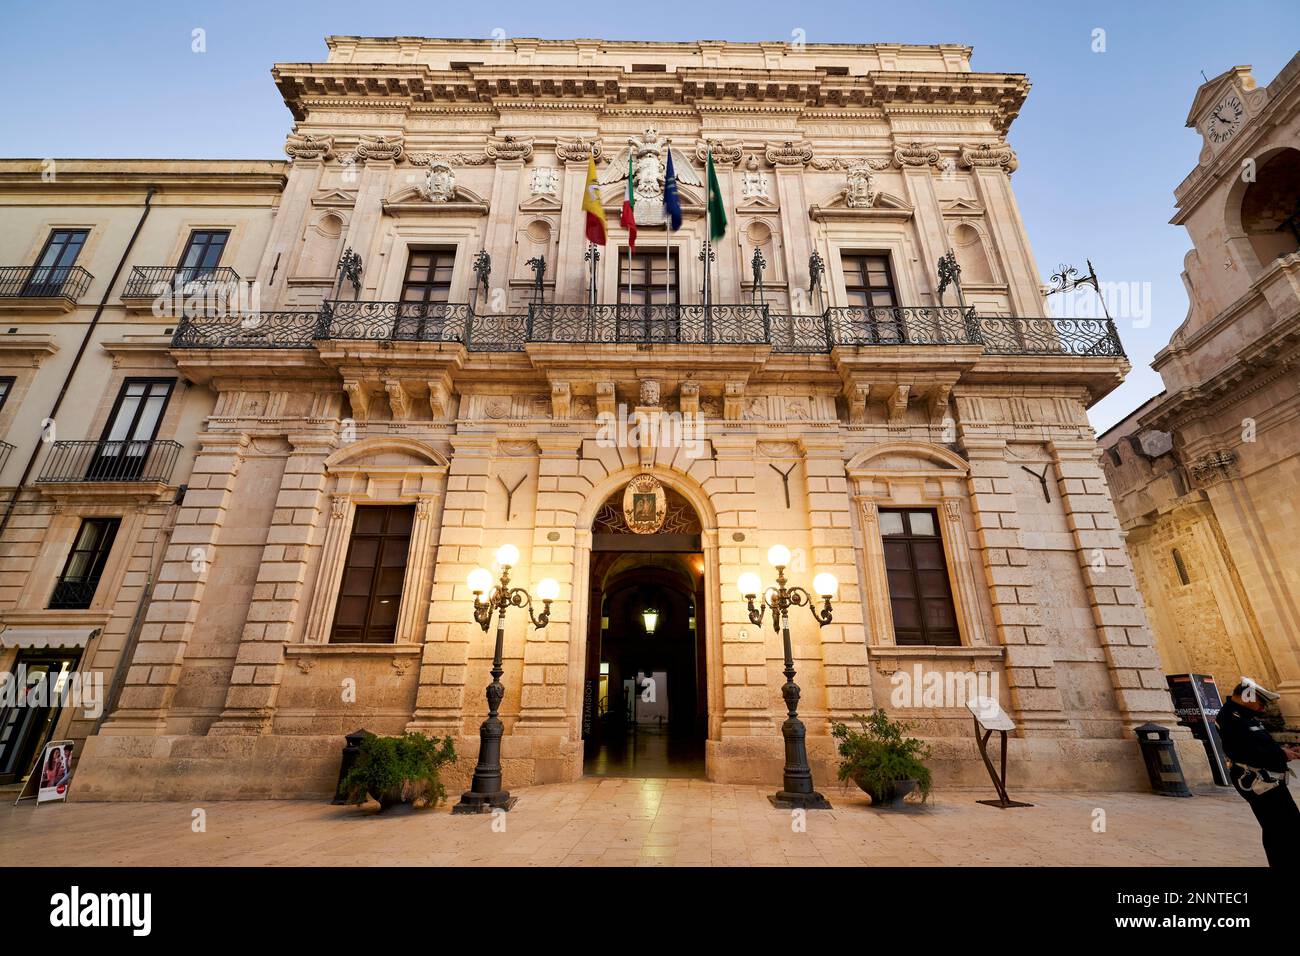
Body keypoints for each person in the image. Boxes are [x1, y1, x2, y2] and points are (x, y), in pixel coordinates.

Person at [1215, 677, 1300, 867]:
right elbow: (1244, 752)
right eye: (1260, 702)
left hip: (1269, 780)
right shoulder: (1230, 718)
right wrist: (1280, 755)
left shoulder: (1244, 716)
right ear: (1248, 697)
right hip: (1257, 781)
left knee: (1285, 827)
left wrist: (1285, 751)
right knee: (1279, 828)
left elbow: (1258, 743)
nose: (1262, 708)